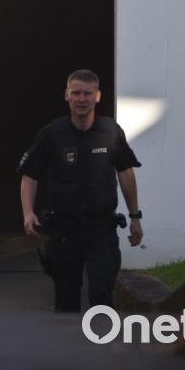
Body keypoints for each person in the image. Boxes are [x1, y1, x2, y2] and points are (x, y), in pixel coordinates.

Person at [17, 69, 143, 312]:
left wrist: (135, 217)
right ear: (67, 96)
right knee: (66, 301)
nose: (82, 99)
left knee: (101, 295)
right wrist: (27, 213)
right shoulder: (52, 134)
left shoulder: (111, 132)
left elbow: (126, 172)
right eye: (76, 93)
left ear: (97, 96)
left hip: (102, 229)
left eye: (88, 93)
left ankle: (103, 348)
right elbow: (30, 175)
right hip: (64, 231)